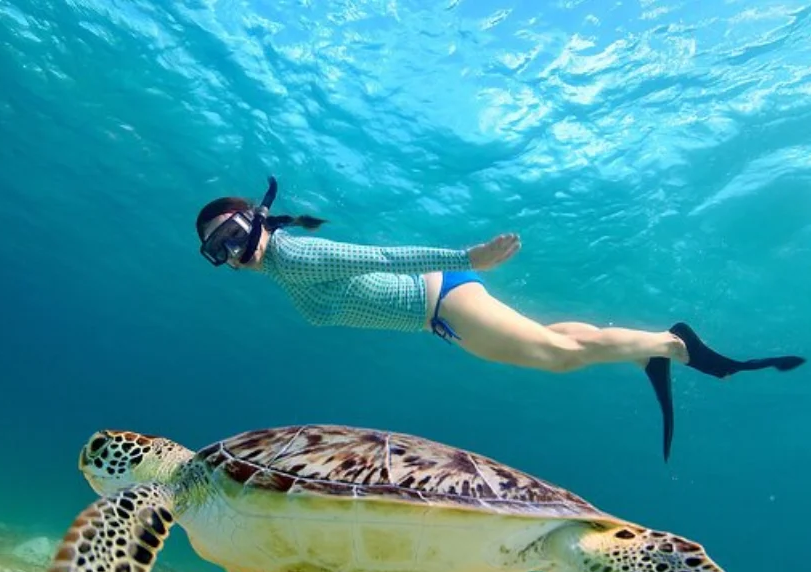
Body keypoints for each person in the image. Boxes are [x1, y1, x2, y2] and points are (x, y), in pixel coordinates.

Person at [195, 178, 805, 461]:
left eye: (228, 234)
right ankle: (653, 347)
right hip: (440, 311)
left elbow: (379, 256)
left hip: (440, 300)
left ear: (255, 219)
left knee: (557, 359)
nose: (229, 252)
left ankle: (674, 347)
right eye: (214, 250)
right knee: (559, 343)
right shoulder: (282, 268)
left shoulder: (292, 254)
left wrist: (469, 257)